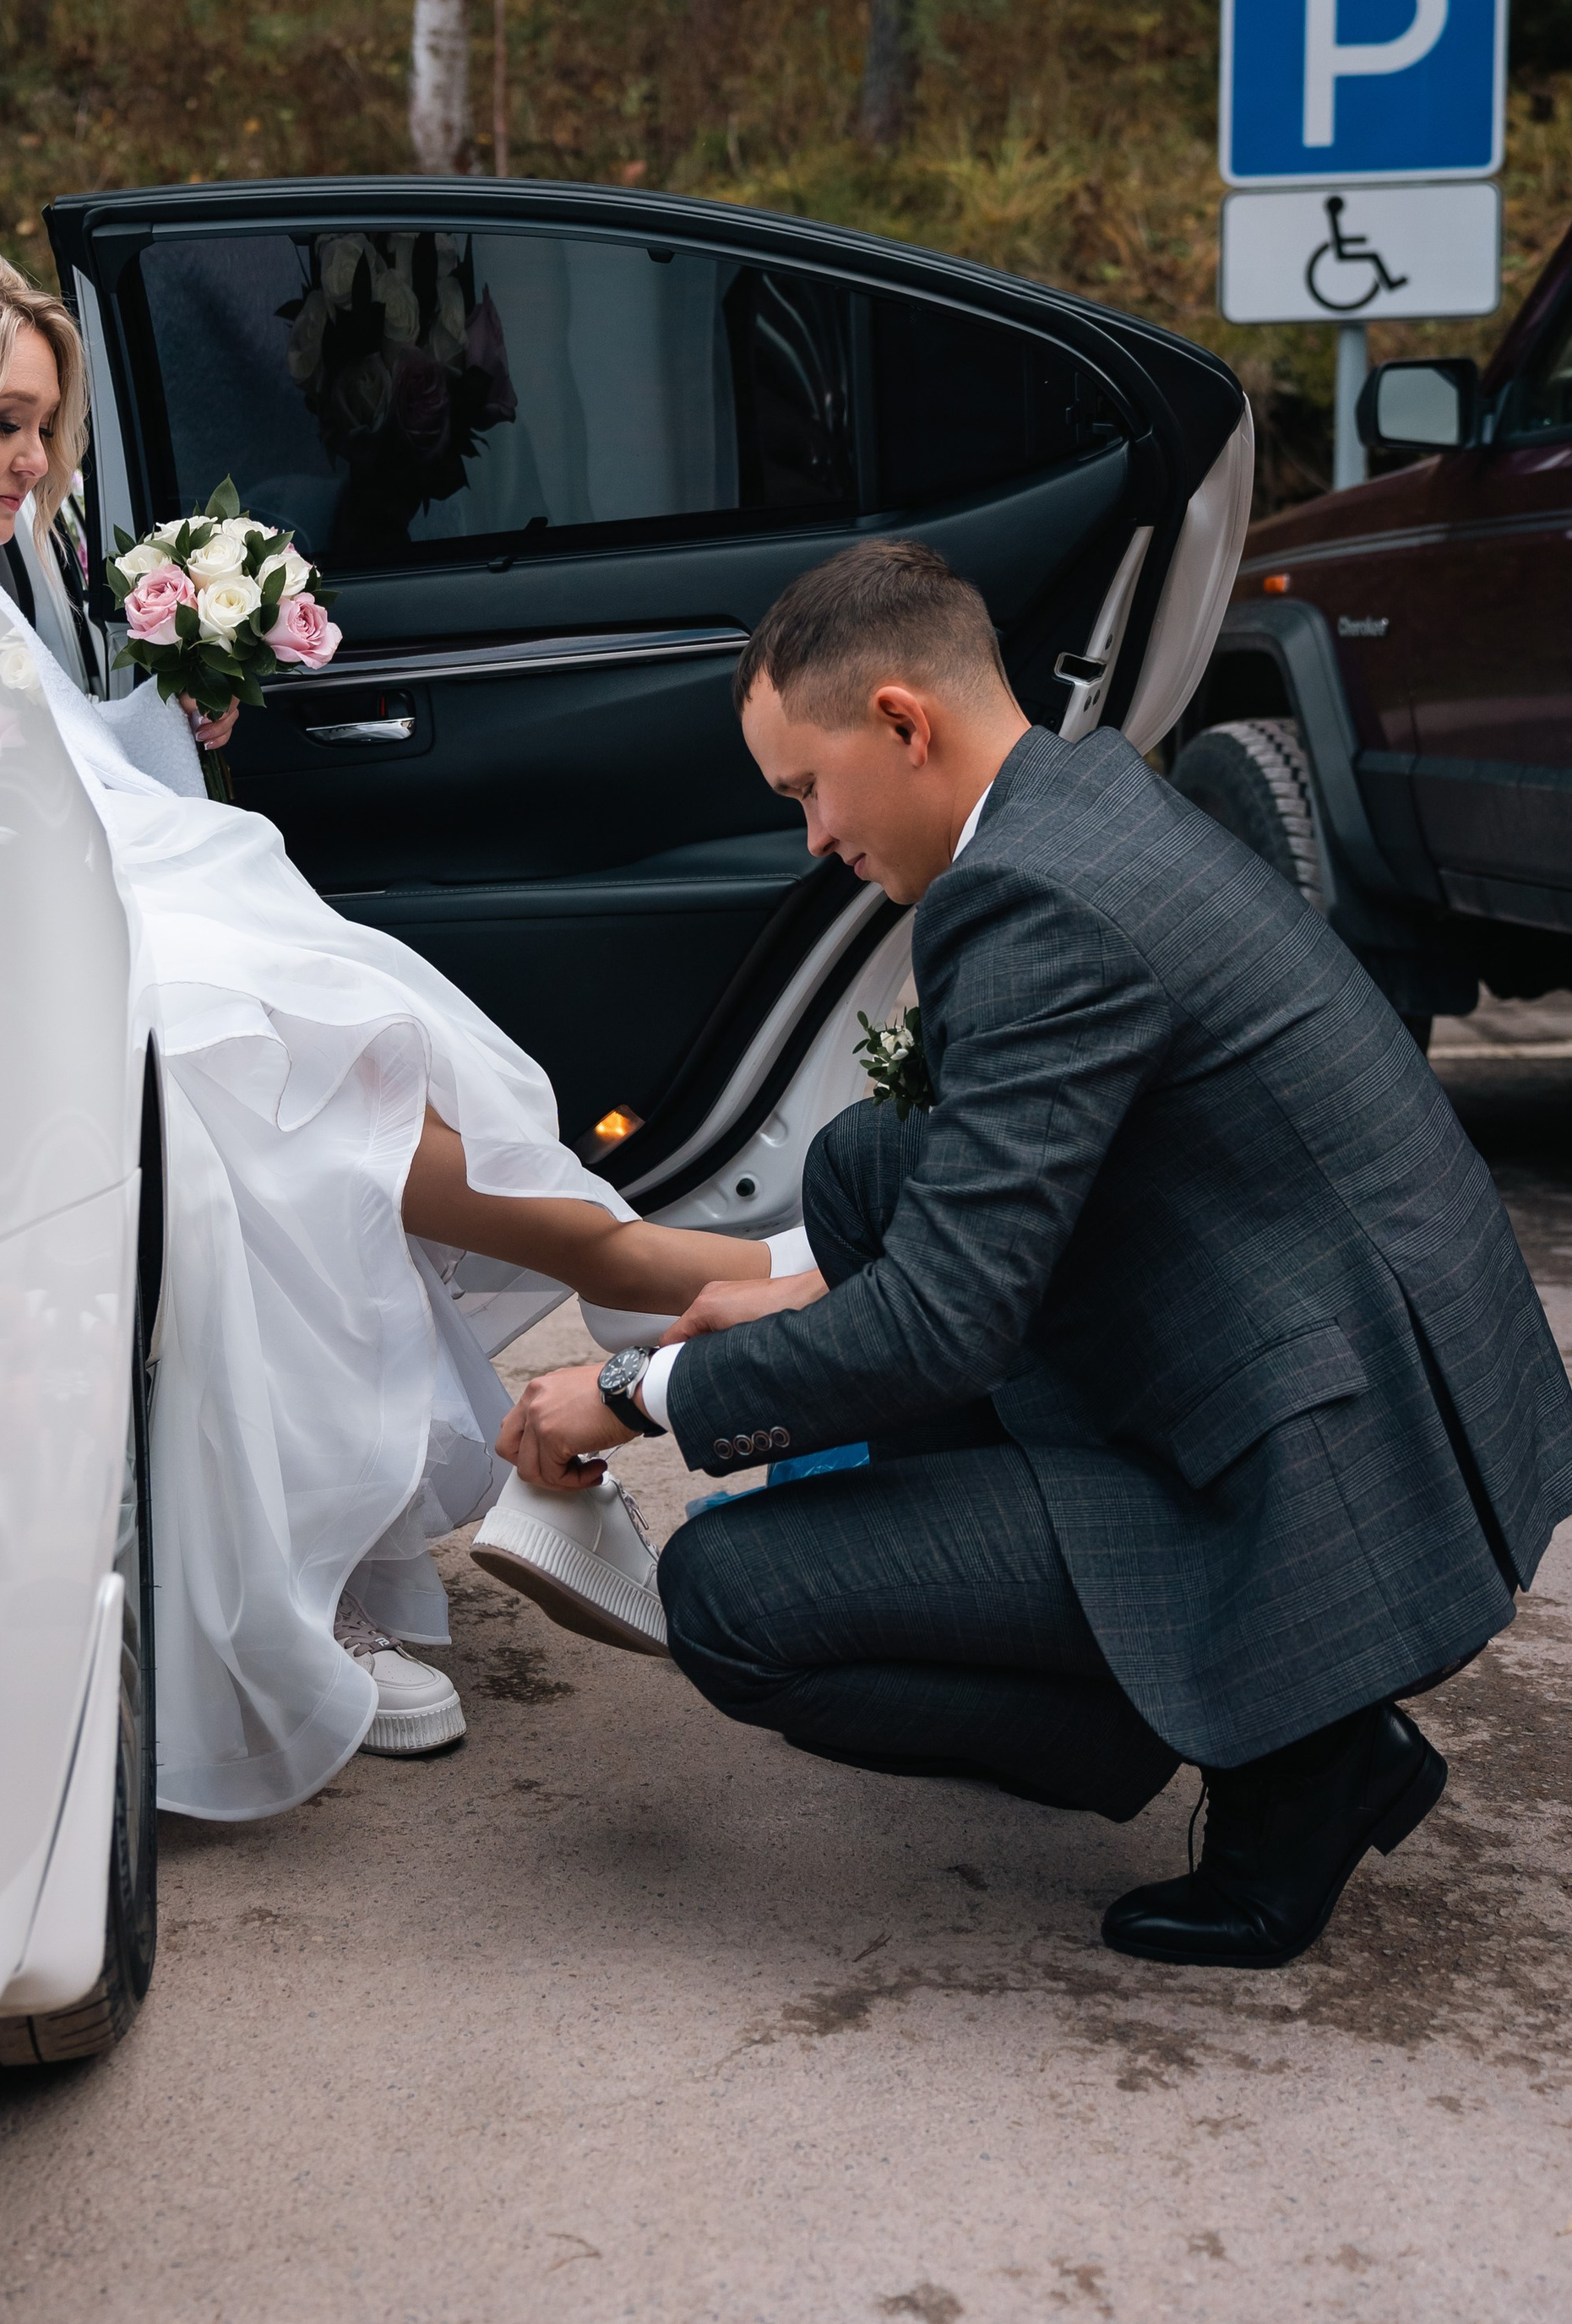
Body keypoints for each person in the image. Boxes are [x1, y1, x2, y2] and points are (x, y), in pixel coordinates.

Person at [496, 537, 1572, 1968]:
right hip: (1335, 1367)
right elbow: (967, 1211)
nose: (811, 837)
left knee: (729, 1601)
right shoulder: (1080, 802)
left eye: (807, 789)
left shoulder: (1031, 904)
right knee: (871, 1167)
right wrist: (788, 1289)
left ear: (901, 720)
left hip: (1320, 1489)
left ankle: (1294, 1748)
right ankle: (1102, 1622)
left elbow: (948, 1323)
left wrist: (634, 1393)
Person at [0, 225, 781, 1820]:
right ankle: (687, 1291)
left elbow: (70, 766)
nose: (34, 462)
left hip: (123, 908)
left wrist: (164, 709)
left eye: (44, 426)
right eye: (2, 421)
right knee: (317, 1104)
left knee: (374, 1068)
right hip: (46, 956)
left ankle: (661, 1293)